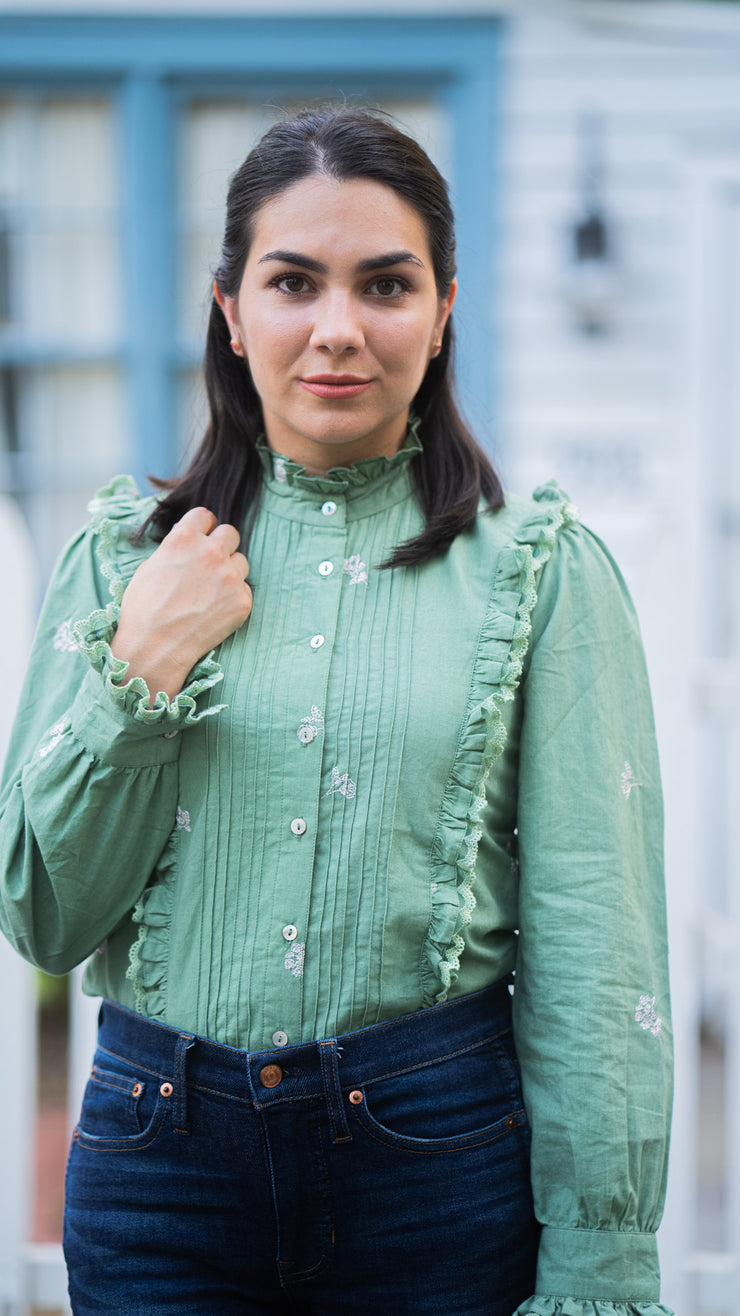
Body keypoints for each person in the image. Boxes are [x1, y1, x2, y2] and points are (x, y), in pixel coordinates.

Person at [0, 107, 673, 1316]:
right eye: (293, 281)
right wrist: (140, 670)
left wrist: (597, 1270)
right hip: (159, 1180)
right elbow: (47, 916)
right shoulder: (120, 566)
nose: (338, 329)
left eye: (386, 284)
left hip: (437, 1168)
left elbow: (594, 949)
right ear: (230, 309)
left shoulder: (541, 571)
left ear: (444, 307)